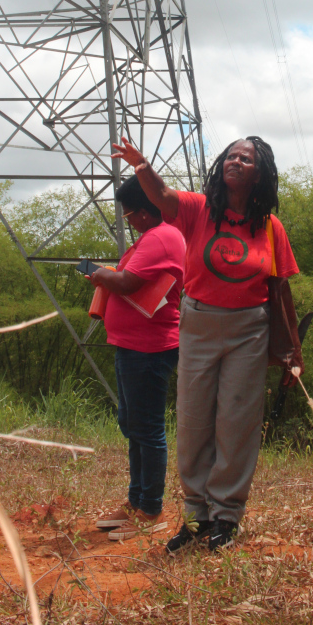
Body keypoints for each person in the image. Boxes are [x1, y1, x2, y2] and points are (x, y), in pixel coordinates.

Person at [111, 135, 299, 552]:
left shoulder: (271, 227)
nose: (235, 161)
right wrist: (141, 165)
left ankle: (226, 517)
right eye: (231, 156)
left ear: (260, 172)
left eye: (245, 159)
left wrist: (292, 352)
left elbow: (280, 289)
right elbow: (160, 196)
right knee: (194, 421)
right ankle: (196, 516)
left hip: (250, 329)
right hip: (198, 324)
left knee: (237, 424)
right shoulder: (198, 210)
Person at [89, 174, 185, 541]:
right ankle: (136, 500)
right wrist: (108, 276)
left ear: (144, 213)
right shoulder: (156, 236)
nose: (127, 221)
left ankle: (151, 509)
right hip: (133, 344)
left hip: (149, 347)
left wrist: (100, 276)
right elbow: (129, 277)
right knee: (132, 423)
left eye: (129, 214)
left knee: (146, 428)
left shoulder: (161, 237)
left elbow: (127, 282)